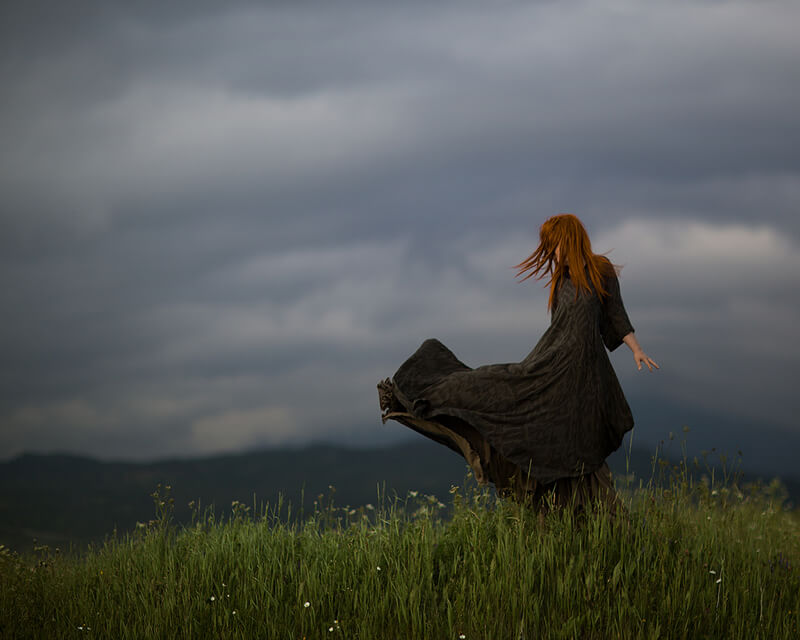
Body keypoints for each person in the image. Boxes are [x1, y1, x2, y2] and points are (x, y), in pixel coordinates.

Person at [377, 214, 658, 514]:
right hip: (552, 364)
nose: (552, 253)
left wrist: (636, 349)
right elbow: (559, 331)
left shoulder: (600, 270)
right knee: (488, 383)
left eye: (556, 245)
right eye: (549, 247)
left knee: (575, 434)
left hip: (584, 372)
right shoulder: (561, 282)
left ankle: (579, 507)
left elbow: (616, 315)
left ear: (571, 239)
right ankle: (417, 395)